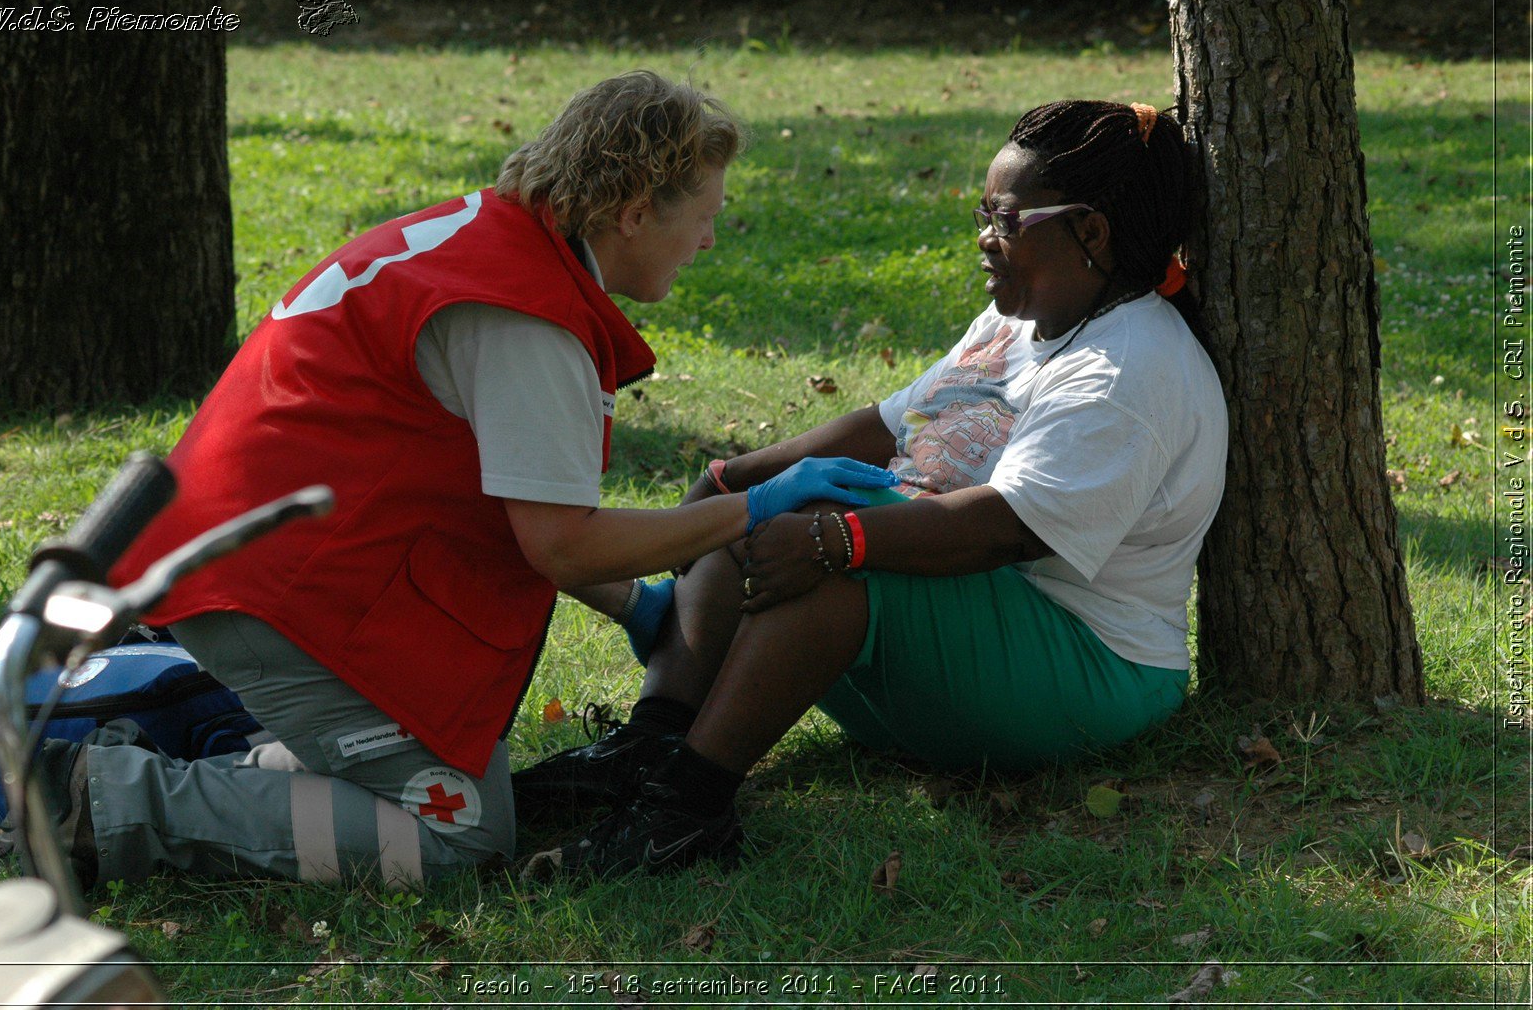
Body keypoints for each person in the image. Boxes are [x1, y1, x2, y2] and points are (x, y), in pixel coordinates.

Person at [23, 70, 896, 891]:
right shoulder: (528, 317)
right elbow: (559, 541)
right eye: (704, 214)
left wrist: (637, 607)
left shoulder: (492, 241)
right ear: (632, 213)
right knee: (458, 836)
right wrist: (755, 507)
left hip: (254, 555)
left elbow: (508, 498)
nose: (710, 236)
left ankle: (169, 776)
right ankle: (99, 803)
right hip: (278, 590)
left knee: (432, 792)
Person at [515, 99, 1229, 879]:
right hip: (972, 645)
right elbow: (891, 423)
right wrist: (736, 478)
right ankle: (651, 746)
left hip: (1090, 672)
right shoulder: (1026, 317)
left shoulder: (1127, 369)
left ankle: (682, 814)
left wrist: (838, 537)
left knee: (821, 532)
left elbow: (1007, 528)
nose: (984, 237)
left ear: (1090, 231)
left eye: (1005, 218)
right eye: (983, 212)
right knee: (770, 504)